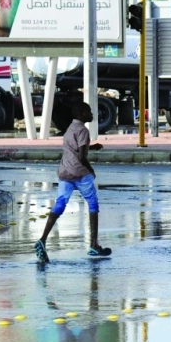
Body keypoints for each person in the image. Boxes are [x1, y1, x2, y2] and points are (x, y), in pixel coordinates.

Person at [35, 101, 111, 263]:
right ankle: (94, 244)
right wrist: (91, 170)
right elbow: (82, 157)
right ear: (81, 114)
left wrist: (93, 147)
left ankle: (42, 239)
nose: (92, 114)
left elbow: (75, 148)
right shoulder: (83, 130)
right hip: (80, 174)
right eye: (89, 112)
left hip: (65, 172)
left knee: (59, 205)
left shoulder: (70, 128)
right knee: (93, 205)